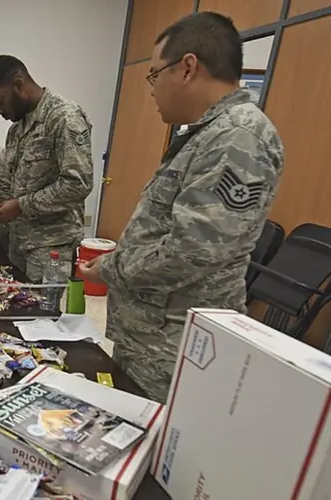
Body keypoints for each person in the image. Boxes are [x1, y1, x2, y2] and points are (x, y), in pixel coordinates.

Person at [79, 12, 284, 402]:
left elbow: (192, 252)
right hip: (153, 339)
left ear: (188, 67)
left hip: (177, 350)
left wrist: (112, 267)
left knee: (160, 438)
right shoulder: (208, 133)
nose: (152, 89)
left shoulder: (238, 136)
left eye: (155, 75)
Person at [0, 55, 93, 281]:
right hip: (19, 245)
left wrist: (22, 205)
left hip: (51, 247)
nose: (0, 112)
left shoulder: (63, 118)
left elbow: (78, 184)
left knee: (46, 305)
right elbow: (7, 189)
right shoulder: (16, 130)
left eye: (0, 102)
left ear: (19, 86)